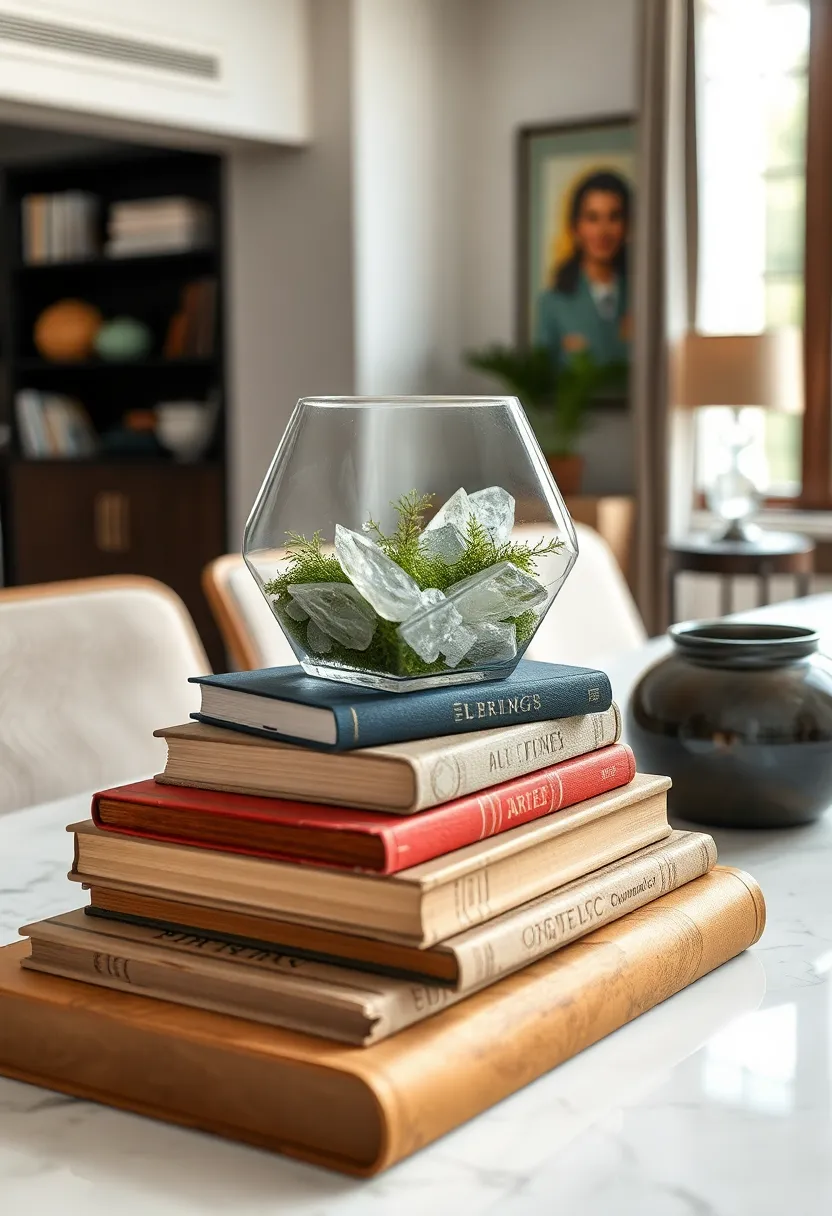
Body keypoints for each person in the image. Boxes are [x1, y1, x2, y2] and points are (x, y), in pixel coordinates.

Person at [535, 170, 632, 369]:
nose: (603, 231)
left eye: (614, 217)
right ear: (576, 227)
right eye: (592, 218)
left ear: (627, 225)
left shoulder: (644, 298)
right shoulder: (553, 303)